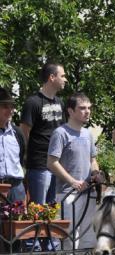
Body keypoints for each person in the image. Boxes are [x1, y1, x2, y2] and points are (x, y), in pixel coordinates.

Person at [47, 92, 100, 255]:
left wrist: (96, 173)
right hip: (68, 194)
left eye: (88, 108)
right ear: (70, 111)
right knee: (67, 241)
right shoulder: (60, 133)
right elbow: (52, 162)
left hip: (87, 193)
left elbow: (92, 159)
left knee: (84, 240)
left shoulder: (88, 134)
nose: (87, 111)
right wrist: (72, 181)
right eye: (82, 108)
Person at [0, 87, 33, 255]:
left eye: (12, 106)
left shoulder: (17, 133)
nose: (11, 110)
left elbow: (22, 160)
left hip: (16, 186)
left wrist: (24, 189)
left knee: (17, 238)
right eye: (5, 106)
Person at [20, 63, 67, 204]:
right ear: (52, 77)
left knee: (53, 210)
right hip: (39, 165)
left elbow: (62, 131)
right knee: (38, 209)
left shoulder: (60, 102)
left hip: (57, 164)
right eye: (63, 76)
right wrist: (29, 156)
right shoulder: (32, 102)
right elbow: (24, 133)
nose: (65, 80)